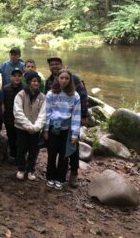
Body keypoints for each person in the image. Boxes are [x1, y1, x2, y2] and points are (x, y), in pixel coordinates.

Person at [45, 56, 88, 188]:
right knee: (52, 154)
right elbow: (47, 111)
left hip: (68, 128)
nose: (63, 80)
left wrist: (76, 132)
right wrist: (46, 129)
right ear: (57, 78)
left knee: (67, 153)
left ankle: (64, 177)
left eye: (66, 78)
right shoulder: (50, 90)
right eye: (61, 78)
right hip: (54, 127)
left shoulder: (74, 92)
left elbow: (77, 112)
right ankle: (50, 177)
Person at [13, 71, 46, 180]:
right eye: (34, 81)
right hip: (21, 128)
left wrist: (35, 127)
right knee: (21, 148)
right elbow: (17, 112)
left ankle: (31, 170)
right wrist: (28, 126)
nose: (36, 83)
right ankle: (21, 169)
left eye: (38, 81)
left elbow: (43, 114)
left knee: (34, 149)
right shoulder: (21, 95)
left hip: (35, 130)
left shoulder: (42, 97)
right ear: (28, 82)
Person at [2, 68, 24, 164]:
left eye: (19, 76)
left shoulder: (25, 89)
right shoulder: (5, 88)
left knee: (21, 139)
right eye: (14, 76)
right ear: (10, 77)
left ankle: (20, 156)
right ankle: (12, 154)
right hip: (9, 118)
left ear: (22, 77)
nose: (16, 78)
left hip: (21, 119)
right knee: (11, 137)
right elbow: (2, 103)